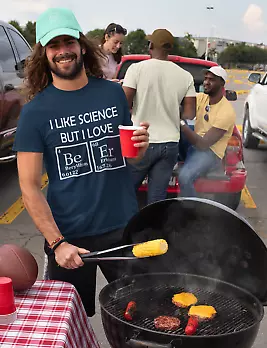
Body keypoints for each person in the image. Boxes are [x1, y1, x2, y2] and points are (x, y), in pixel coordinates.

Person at [13, 7, 149, 317]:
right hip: (70, 238)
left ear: (81, 45)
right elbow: (29, 187)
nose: (63, 51)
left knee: (139, 313)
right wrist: (57, 242)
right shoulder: (35, 113)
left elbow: (128, 155)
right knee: (69, 323)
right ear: (44, 53)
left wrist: (141, 147)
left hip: (123, 229)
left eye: (68, 42)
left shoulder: (113, 96)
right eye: (53, 46)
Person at [122, 29, 196, 205]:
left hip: (141, 142)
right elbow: (190, 113)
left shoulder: (136, 69)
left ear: (151, 45)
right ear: (169, 48)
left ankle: (125, 230)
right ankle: (153, 231)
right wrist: (170, 111)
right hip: (170, 144)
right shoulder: (185, 76)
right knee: (157, 200)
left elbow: (124, 103)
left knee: (126, 193)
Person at [178, 66, 236, 197]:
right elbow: (179, 98)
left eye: (212, 80)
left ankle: (192, 211)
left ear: (222, 83)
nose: (206, 82)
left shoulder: (226, 111)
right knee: (179, 128)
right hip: (195, 144)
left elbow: (203, 144)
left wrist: (181, 123)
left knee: (185, 177)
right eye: (205, 79)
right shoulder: (201, 98)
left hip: (210, 153)